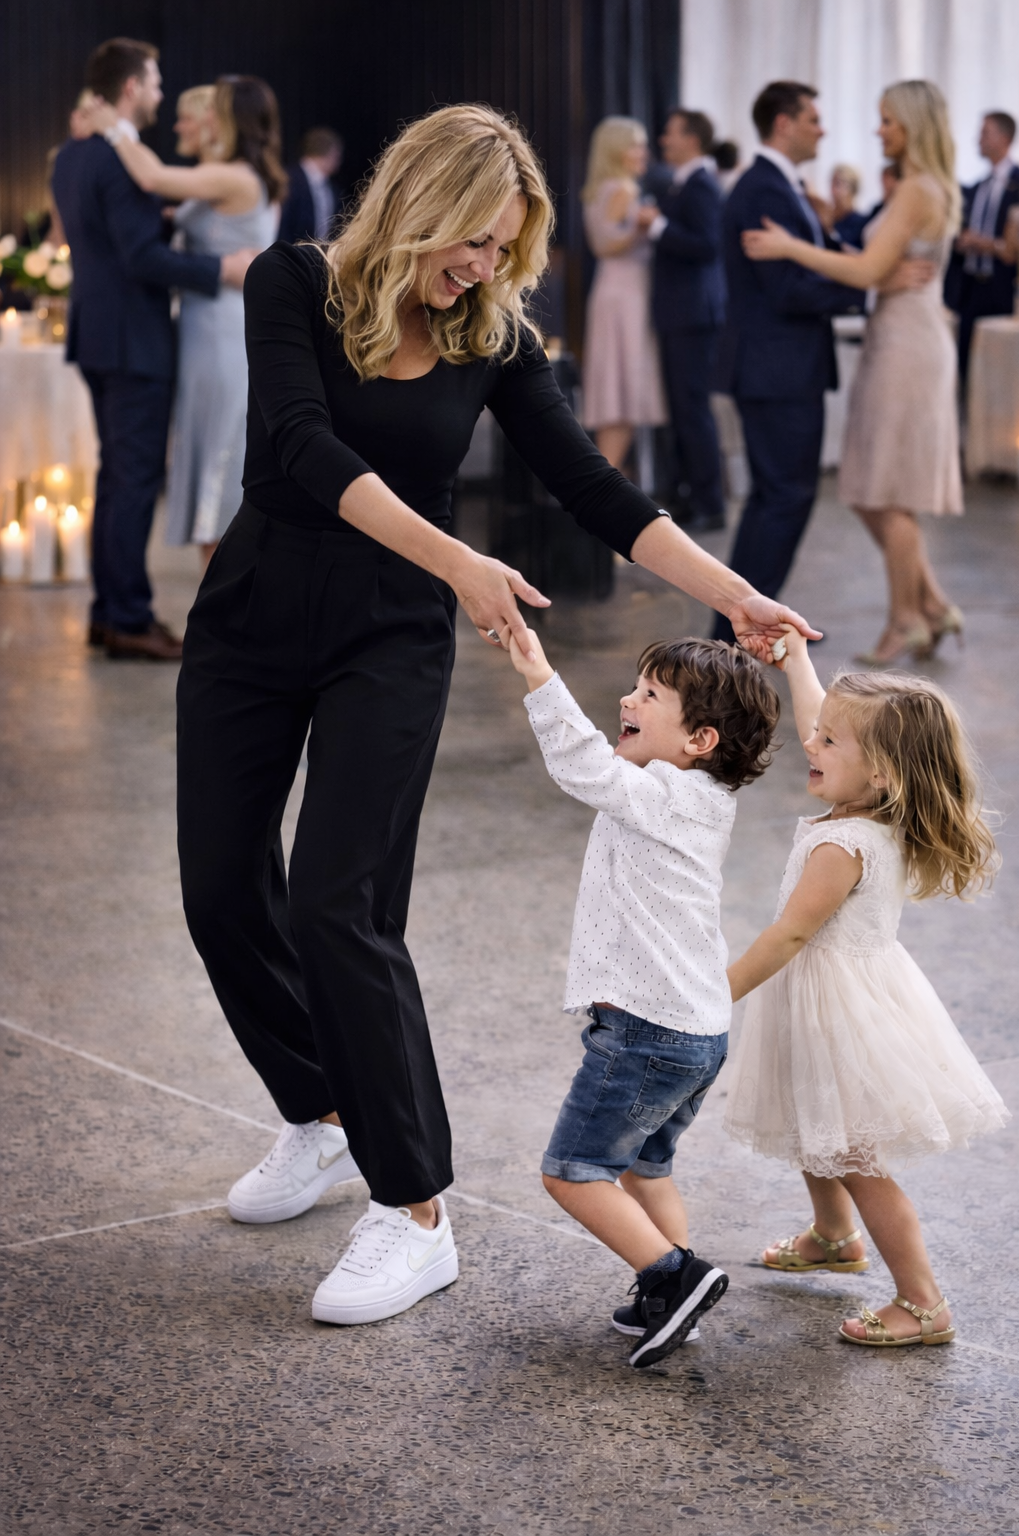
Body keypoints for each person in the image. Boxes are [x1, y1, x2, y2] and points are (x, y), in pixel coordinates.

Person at [175, 103, 819, 1331]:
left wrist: (733, 592)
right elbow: (300, 445)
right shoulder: (293, 281)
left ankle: (413, 1211)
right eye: (469, 238)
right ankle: (319, 1112)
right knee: (219, 891)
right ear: (414, 202)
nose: (481, 265)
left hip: (388, 633)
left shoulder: (493, 334)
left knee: (339, 906)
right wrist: (459, 558)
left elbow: (592, 485)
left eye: (503, 247)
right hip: (255, 607)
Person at [724, 626, 1007, 1347]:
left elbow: (790, 935)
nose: (810, 744)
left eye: (828, 742)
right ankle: (833, 1234)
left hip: (835, 1008)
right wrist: (798, 661)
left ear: (880, 773)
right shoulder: (872, 807)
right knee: (811, 1121)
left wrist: (715, 995)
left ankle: (923, 1302)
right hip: (834, 996)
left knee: (853, 1155)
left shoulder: (840, 844)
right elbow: (825, 717)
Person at [506, 626, 780, 1368]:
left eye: (650, 695)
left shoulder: (667, 794)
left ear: (699, 740)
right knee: (646, 1166)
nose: (627, 699)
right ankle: (675, 1295)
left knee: (573, 1170)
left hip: (648, 1034)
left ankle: (673, 1275)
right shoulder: (699, 798)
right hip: (696, 1034)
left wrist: (539, 675)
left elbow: (582, 764)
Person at [743, 80, 963, 666]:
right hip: (897, 337)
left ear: (912, 125)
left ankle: (906, 620)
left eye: (887, 120)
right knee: (872, 488)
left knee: (888, 492)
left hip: (907, 344)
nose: (878, 130)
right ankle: (933, 605)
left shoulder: (916, 188)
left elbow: (866, 271)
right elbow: (873, 264)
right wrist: (829, 233)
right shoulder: (920, 186)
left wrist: (790, 246)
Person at [51, 38, 253, 660]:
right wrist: (221, 269)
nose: (162, 95)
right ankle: (129, 619)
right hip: (133, 343)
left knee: (116, 480)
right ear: (132, 87)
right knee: (132, 484)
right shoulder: (119, 160)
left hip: (96, 334)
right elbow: (139, 257)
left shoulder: (71, 156)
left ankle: (108, 613)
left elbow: (116, 242)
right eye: (156, 82)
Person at [81, 77, 284, 563]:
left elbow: (152, 178)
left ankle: (228, 593)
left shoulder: (236, 176)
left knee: (220, 456)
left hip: (221, 331)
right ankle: (218, 591)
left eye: (213, 109)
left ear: (230, 118)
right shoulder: (226, 174)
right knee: (207, 449)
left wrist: (115, 128)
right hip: (200, 326)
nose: (204, 117)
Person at [712, 81, 868, 644]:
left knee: (774, 499)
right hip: (777, 369)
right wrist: (865, 288)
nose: (821, 129)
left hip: (777, 367)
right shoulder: (765, 189)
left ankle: (736, 629)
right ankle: (736, 633)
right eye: (813, 119)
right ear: (784, 123)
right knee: (784, 499)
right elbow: (788, 290)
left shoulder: (780, 186)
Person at [648, 110, 727, 531]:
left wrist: (658, 226)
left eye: (671, 133)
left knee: (693, 410)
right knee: (682, 410)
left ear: (692, 139)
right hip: (680, 312)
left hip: (694, 313)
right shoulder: (685, 183)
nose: (664, 140)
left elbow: (708, 245)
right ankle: (688, 496)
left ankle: (709, 504)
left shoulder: (702, 185)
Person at [579, 117, 667, 473]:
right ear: (617, 151)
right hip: (624, 296)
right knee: (622, 392)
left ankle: (608, 478)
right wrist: (641, 226)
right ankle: (607, 479)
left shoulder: (606, 188)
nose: (644, 153)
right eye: (636, 146)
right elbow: (604, 245)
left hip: (616, 292)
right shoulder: (622, 190)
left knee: (619, 393)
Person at [943, 111, 1019, 387]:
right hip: (971, 289)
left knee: (1002, 369)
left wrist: (983, 243)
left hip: (1004, 289)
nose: (979, 139)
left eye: (985, 133)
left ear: (1005, 138)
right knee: (968, 363)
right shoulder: (977, 187)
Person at [278, 127, 343, 243]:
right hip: (291, 250)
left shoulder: (332, 188)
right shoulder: (288, 180)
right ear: (331, 153)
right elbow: (283, 225)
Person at [829, 164, 868, 247]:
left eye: (837, 184)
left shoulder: (861, 223)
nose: (833, 190)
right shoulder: (827, 218)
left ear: (851, 188)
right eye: (832, 183)